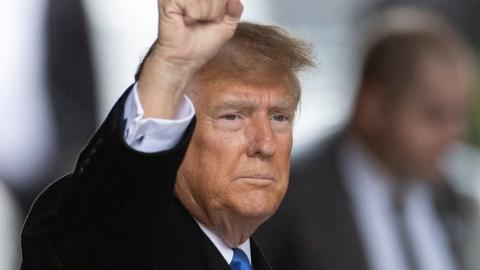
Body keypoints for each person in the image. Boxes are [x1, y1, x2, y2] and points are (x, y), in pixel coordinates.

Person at [20, 0, 314, 269]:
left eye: (279, 117)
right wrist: (169, 70)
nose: (265, 144)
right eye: (232, 116)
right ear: (175, 128)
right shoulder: (103, 229)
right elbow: (111, 216)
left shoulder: (292, 249)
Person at [256, 7, 476, 270]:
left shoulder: (454, 199)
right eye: (434, 116)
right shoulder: (285, 198)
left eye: (457, 116)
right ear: (373, 108)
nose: (451, 135)